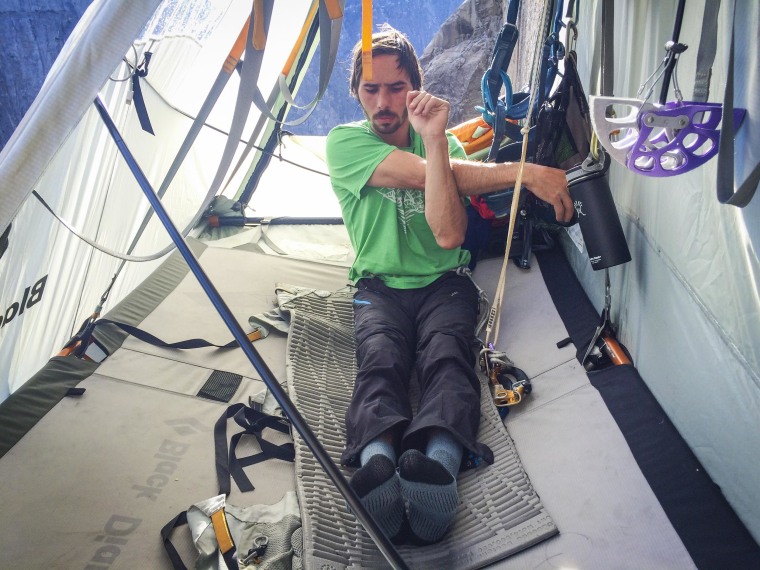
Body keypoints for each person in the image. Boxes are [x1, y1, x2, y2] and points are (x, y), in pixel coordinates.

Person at [325, 25, 572, 545]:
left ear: (415, 87)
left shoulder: (444, 139)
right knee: (380, 359)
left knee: (447, 357)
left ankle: (435, 464)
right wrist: (526, 172)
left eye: (396, 87)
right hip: (379, 284)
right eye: (371, 89)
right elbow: (427, 177)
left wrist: (437, 138)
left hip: (444, 281)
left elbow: (449, 234)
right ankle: (377, 467)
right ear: (356, 92)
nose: (385, 102)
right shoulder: (345, 144)